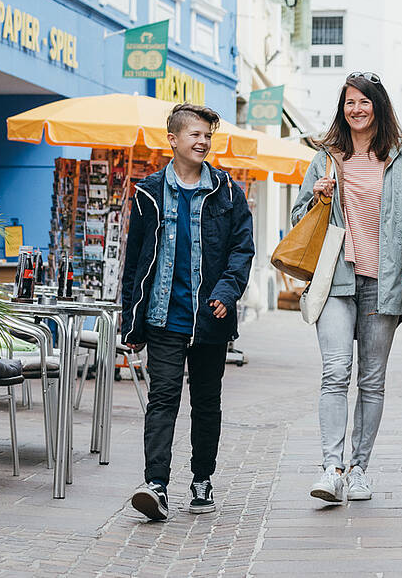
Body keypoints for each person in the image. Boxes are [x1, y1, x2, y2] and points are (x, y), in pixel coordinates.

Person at [292, 72, 402, 504]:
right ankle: (331, 467)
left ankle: (359, 469)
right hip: (335, 279)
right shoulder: (326, 158)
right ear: (343, 108)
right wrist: (316, 196)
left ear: (378, 107)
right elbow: (299, 218)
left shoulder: (401, 161)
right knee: (335, 373)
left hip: (383, 282)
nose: (356, 109)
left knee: (372, 381)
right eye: (350, 102)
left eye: (364, 102)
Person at [121, 103, 254, 521]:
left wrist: (228, 290)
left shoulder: (228, 192)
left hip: (210, 317)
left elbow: (242, 249)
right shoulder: (147, 192)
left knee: (206, 402)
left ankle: (201, 480)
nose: (202, 142)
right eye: (194, 134)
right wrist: (132, 321)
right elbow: (136, 260)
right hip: (163, 316)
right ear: (173, 139)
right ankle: (156, 485)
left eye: (207, 136)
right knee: (162, 400)